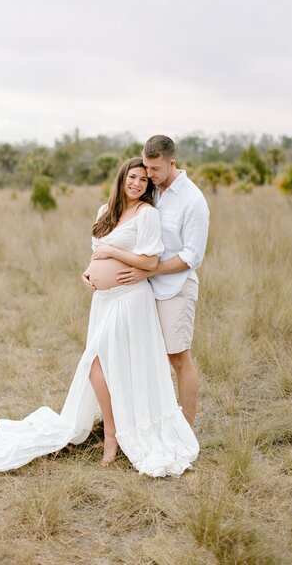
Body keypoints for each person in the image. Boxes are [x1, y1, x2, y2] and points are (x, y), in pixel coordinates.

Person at [0, 157, 199, 478]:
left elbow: (150, 260)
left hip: (131, 300)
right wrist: (89, 272)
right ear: (122, 179)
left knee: (99, 363)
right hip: (104, 300)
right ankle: (113, 431)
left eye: (144, 180)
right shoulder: (104, 212)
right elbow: (96, 251)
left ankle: (116, 436)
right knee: (103, 364)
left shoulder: (147, 214)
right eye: (133, 177)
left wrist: (112, 255)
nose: (138, 183)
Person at [116, 136, 209, 429]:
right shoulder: (151, 190)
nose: (149, 174)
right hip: (144, 290)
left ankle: (187, 429)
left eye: (155, 169)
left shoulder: (193, 201)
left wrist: (149, 271)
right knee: (148, 357)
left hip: (175, 290)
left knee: (178, 357)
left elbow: (191, 256)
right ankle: (153, 420)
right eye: (146, 167)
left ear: (172, 163)